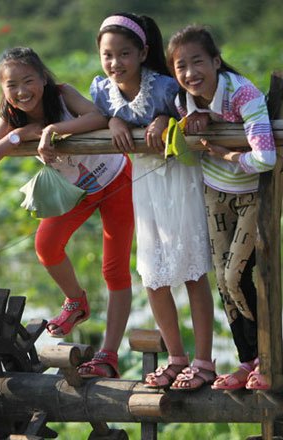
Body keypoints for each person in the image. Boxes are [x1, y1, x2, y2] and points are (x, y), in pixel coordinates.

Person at [0, 47, 133, 379]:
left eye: (28, 80)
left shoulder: (63, 95)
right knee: (46, 246)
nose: (21, 91)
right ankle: (76, 301)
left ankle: (108, 355)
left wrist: (51, 130)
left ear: (43, 79)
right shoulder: (11, 119)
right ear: (3, 90)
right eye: (12, 85)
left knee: (114, 269)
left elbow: (99, 118)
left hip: (116, 179)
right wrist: (17, 136)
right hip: (76, 192)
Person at [91, 13, 216, 390]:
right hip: (144, 187)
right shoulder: (102, 91)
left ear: (144, 52)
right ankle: (176, 358)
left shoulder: (163, 86)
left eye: (124, 54)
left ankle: (204, 362)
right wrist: (112, 123)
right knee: (153, 273)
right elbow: (96, 118)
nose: (115, 63)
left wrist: (164, 119)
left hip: (179, 178)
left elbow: (198, 114)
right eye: (107, 55)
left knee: (193, 270)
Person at [167, 25, 276, 391]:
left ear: (216, 61)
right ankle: (249, 362)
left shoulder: (244, 94)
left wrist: (228, 153)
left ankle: (271, 357)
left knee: (236, 277)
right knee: (225, 286)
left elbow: (264, 158)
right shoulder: (185, 102)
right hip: (215, 193)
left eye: (197, 62)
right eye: (180, 66)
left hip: (249, 194)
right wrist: (205, 120)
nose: (189, 73)